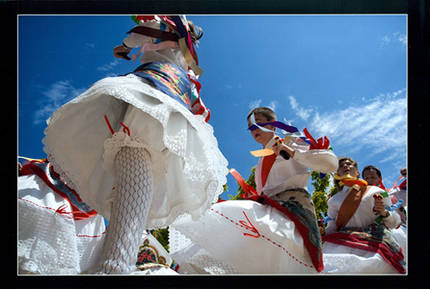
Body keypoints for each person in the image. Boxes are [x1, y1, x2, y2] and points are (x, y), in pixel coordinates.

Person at [18, 15, 228, 274]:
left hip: (155, 85)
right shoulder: (185, 55)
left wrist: (125, 47)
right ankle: (118, 260)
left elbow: (138, 34)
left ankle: (116, 265)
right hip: (172, 91)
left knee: (134, 142)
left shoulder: (166, 25)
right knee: (135, 147)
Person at [169, 106, 338, 274]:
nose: (253, 130)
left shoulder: (291, 142)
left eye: (258, 123)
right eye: (251, 127)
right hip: (268, 209)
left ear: (272, 125)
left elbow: (330, 164)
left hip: (292, 211)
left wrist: (293, 153)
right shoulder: (261, 160)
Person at [322, 157, 406, 274]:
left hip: (374, 243)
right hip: (341, 243)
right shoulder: (333, 200)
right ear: (337, 174)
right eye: (341, 166)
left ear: (357, 172)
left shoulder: (376, 191)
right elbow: (331, 228)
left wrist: (383, 212)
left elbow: (395, 222)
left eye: (349, 164)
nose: (345, 166)